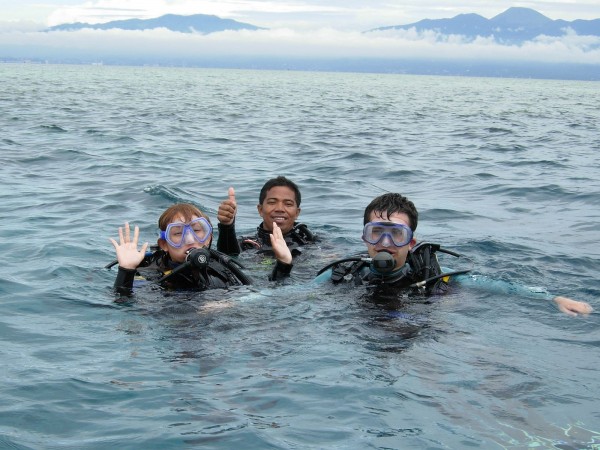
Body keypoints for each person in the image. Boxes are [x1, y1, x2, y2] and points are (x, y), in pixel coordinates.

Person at [316, 193, 593, 316]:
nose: (385, 242)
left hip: (421, 332)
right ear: (364, 237)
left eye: (397, 234)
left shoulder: (434, 278)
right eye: (376, 232)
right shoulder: (344, 274)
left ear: (411, 242)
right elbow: (291, 296)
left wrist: (551, 298)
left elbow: (496, 286)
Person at [109, 203, 292, 296]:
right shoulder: (152, 273)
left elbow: (269, 292)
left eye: (198, 231)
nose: (190, 240)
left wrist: (283, 263)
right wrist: (126, 270)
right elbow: (124, 302)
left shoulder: (222, 266)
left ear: (209, 237)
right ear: (164, 244)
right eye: (178, 233)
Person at [216, 176, 318, 262]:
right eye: (272, 202)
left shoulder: (311, 243)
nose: (279, 209)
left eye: (288, 204)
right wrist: (227, 226)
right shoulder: (246, 245)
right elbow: (227, 258)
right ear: (260, 210)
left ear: (297, 213)